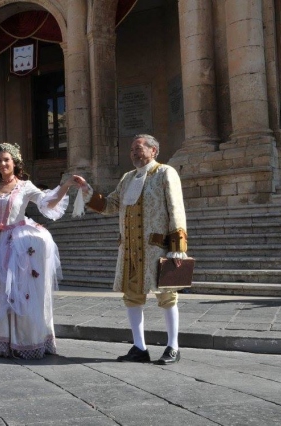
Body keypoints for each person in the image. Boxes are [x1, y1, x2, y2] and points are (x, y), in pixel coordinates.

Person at [0, 142, 82, 359]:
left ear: (15, 162)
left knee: (16, 293)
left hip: (14, 244)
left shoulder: (25, 186)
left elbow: (48, 202)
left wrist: (66, 185)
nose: (2, 164)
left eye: (6, 160)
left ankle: (20, 340)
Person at [76, 134, 188, 365]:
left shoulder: (166, 173)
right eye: (131, 150)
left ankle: (173, 347)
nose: (134, 153)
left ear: (153, 150)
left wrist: (177, 246)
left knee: (167, 296)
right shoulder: (127, 178)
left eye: (138, 148)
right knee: (132, 297)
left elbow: (176, 208)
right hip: (130, 250)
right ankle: (139, 347)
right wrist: (88, 191)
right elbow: (111, 205)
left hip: (158, 247)